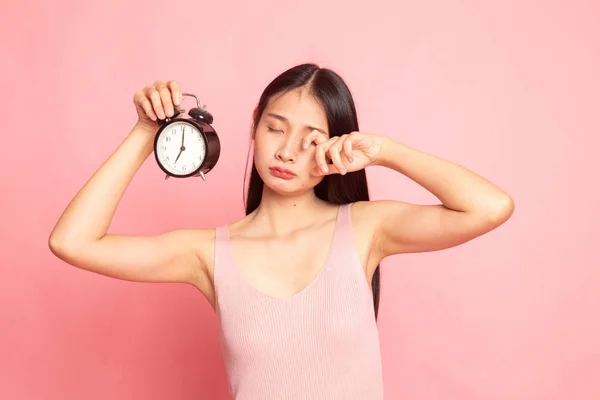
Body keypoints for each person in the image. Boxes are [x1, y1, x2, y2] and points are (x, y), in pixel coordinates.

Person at [49, 63, 514, 399]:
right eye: (276, 128)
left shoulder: (366, 227)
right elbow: (72, 242)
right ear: (255, 128)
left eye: (311, 138)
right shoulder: (209, 252)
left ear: (335, 144)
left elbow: (490, 207)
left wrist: (384, 151)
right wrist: (144, 133)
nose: (288, 152)